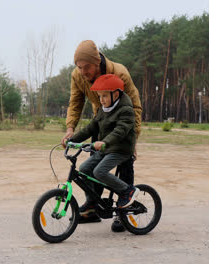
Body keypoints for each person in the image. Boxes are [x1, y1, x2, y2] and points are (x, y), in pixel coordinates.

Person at [61, 40, 142, 232]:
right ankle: (93, 206)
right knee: (91, 165)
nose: (82, 71)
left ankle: (125, 209)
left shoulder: (119, 73)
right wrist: (70, 129)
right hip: (101, 120)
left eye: (86, 67)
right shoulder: (77, 75)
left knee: (125, 163)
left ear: (97, 63)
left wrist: (133, 139)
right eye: (79, 67)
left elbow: (135, 107)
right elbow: (75, 103)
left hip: (122, 126)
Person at [68, 74, 140, 212]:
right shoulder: (103, 110)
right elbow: (90, 128)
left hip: (121, 149)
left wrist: (104, 142)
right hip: (106, 149)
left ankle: (127, 191)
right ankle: (93, 201)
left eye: (105, 96)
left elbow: (120, 131)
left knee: (99, 172)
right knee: (84, 169)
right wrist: (72, 140)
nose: (101, 100)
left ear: (116, 94)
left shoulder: (126, 110)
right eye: (100, 96)